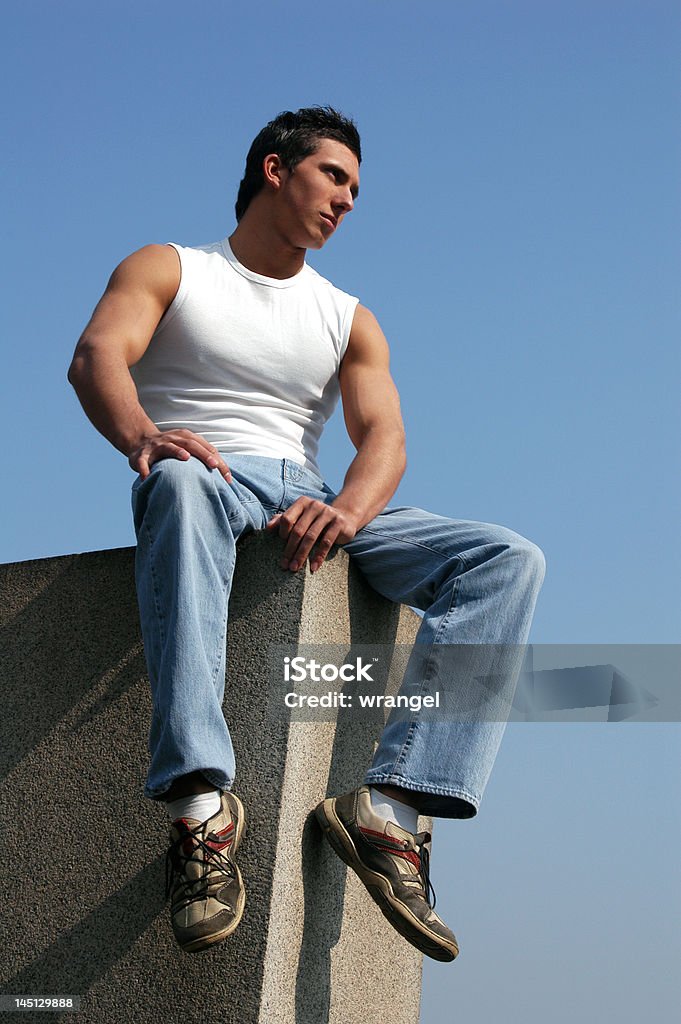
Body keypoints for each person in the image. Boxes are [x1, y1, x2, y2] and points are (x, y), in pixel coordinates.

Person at [68, 105, 545, 963]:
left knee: (505, 560)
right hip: (206, 471)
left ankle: (390, 811)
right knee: (175, 484)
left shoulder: (347, 315)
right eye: (335, 176)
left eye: (358, 188)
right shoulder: (171, 266)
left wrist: (350, 511)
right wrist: (144, 434)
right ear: (274, 168)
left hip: (315, 490)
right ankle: (200, 811)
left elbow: (385, 438)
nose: (349, 200)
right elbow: (98, 353)